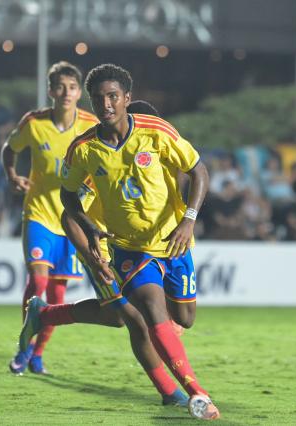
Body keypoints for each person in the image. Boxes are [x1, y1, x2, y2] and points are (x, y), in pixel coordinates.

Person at [59, 64, 219, 419]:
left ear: (127, 99)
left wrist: (188, 222)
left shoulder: (156, 133)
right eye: (98, 98)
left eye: (113, 96)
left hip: (173, 243)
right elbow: (67, 204)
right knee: (141, 315)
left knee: (183, 318)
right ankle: (194, 393)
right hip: (127, 249)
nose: (106, 104)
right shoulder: (83, 151)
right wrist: (91, 247)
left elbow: (199, 170)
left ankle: (46, 315)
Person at [16, 100, 189, 408]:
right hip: (109, 252)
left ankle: (43, 314)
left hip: (146, 250)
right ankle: (169, 393)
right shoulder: (102, 167)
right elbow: (69, 216)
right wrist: (94, 258)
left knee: (117, 317)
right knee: (136, 320)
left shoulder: (159, 155)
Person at [2, 61, 98, 374]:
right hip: (39, 214)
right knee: (38, 281)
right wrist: (12, 174)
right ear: (50, 90)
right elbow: (9, 148)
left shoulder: (90, 125)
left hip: (71, 220)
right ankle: (24, 347)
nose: (66, 93)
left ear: (79, 91)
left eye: (72, 87)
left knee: (57, 296)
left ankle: (38, 353)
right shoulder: (34, 122)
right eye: (60, 86)